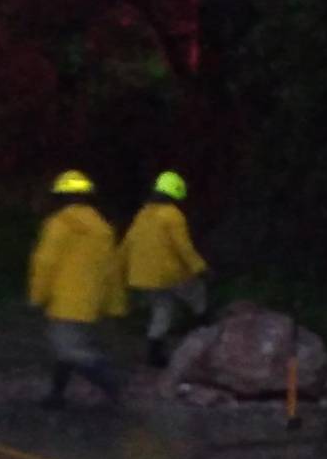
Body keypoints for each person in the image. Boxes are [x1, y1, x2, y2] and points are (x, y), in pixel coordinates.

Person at [28, 170, 127, 409]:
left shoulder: (58, 225)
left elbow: (45, 263)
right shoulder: (103, 229)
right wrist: (114, 305)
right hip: (91, 303)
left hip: (64, 302)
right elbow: (111, 270)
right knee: (68, 348)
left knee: (69, 350)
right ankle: (56, 394)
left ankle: (110, 382)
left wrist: (37, 297)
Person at [120, 170, 210, 367]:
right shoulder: (173, 215)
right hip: (169, 274)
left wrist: (120, 269)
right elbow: (183, 247)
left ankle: (154, 355)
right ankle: (206, 338)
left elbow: (128, 243)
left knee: (162, 310)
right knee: (198, 298)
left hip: (144, 277)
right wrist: (199, 267)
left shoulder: (143, 214)